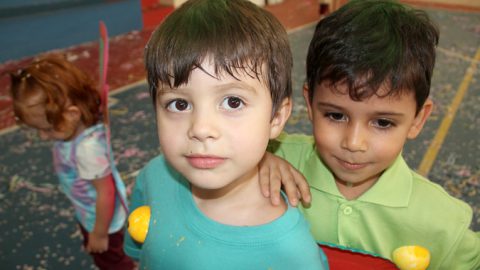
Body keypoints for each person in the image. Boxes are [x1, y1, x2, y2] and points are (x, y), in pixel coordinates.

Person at [261, 0, 480, 269]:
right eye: (336, 115)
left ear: (418, 119)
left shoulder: (443, 223)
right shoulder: (267, 159)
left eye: (383, 123)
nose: (353, 143)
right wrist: (252, 164)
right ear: (310, 103)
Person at [122, 0, 329, 269]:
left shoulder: (292, 254)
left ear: (276, 117)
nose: (200, 129)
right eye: (179, 104)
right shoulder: (153, 177)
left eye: (233, 102)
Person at [9, 55, 135, 270]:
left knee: (112, 262)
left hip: (101, 220)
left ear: (73, 114)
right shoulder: (73, 130)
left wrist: (99, 233)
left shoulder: (87, 150)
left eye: (47, 128)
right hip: (88, 210)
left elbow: (106, 192)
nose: (42, 136)